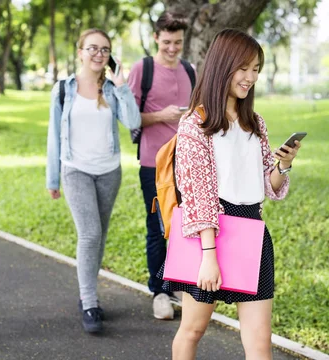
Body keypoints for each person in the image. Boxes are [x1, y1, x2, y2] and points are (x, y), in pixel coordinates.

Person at [160, 29, 302, 360]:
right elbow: (198, 195)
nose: (250, 77)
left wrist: (283, 166)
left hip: (252, 232)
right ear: (224, 65)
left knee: (259, 342)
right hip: (209, 235)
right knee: (192, 331)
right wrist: (209, 256)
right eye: (244, 68)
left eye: (256, 69)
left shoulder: (256, 123)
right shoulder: (196, 123)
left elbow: (270, 187)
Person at [46, 29, 141, 333]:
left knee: (99, 235)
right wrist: (53, 178)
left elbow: (133, 123)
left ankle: (88, 292)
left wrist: (123, 86)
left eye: (104, 50)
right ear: (80, 52)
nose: (98, 54)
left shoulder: (113, 89)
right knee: (89, 234)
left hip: (109, 171)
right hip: (76, 169)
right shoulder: (63, 89)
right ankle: (89, 301)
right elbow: (53, 137)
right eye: (92, 49)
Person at [127, 11, 195, 320]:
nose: (172, 48)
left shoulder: (190, 70)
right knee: (158, 227)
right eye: (167, 41)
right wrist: (161, 116)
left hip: (187, 163)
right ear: (156, 37)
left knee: (186, 225)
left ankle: (178, 283)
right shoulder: (144, 69)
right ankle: (159, 291)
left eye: (177, 42)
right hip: (153, 164)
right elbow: (129, 117)